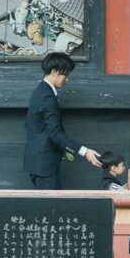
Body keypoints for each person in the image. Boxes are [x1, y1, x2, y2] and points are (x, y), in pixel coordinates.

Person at [24, 52, 101, 188]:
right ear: (54, 71)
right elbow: (55, 133)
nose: (67, 79)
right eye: (65, 74)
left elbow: (30, 124)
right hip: (44, 165)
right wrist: (85, 152)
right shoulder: (47, 97)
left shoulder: (40, 92)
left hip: (39, 162)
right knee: (50, 207)